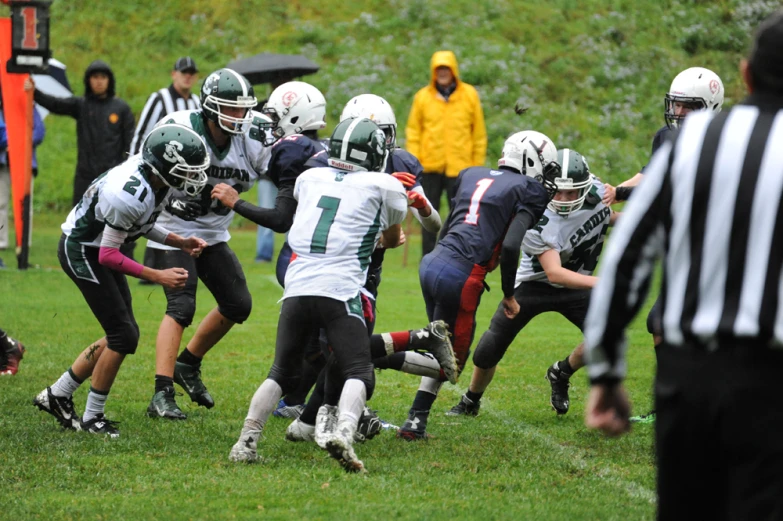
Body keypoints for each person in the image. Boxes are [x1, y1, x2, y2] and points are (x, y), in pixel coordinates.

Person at [584, 10, 783, 518]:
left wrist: (605, 373)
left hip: (692, 372)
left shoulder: (691, 142)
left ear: (745, 75)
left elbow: (629, 255)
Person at [229, 117, 408, 473]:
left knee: (281, 371)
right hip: (341, 289)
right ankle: (344, 431)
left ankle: (245, 442)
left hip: (297, 285)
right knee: (359, 369)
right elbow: (390, 237)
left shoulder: (310, 177)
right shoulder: (384, 185)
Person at [32, 123, 210, 437]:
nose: (191, 177)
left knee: (123, 333)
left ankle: (58, 394)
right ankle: (92, 417)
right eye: (185, 170)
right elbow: (108, 255)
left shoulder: (154, 180)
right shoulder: (128, 192)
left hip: (99, 248)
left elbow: (142, 224)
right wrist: (157, 275)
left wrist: (179, 242)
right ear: (165, 166)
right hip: (83, 251)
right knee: (122, 335)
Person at [397, 130, 557, 440]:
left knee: (438, 342)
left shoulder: (471, 174)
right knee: (450, 365)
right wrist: (509, 295)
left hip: (434, 261)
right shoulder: (527, 189)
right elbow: (512, 246)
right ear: (530, 161)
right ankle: (370, 350)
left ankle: (415, 423)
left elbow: (455, 224)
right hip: (461, 275)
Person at [447, 149, 617, 417]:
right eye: (557, 191)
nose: (562, 199)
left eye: (571, 193)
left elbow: (607, 216)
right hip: (534, 285)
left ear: (584, 187)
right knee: (488, 350)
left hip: (578, 285)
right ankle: (471, 400)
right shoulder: (536, 217)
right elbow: (554, 273)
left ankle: (561, 372)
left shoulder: (596, 193)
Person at [602, 66, 724, 424]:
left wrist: (622, 193)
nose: (679, 113)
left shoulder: (717, 142)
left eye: (688, 106)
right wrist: (608, 194)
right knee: (660, 323)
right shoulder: (666, 137)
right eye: (677, 104)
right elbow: (650, 174)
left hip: (716, 249)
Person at [143, 68, 268, 420]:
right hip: (172, 227)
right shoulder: (181, 127)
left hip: (213, 233)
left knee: (238, 304)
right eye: (230, 109)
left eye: (243, 110)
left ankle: (188, 363)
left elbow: (281, 170)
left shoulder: (253, 137)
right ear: (211, 108)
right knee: (181, 304)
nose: (239, 117)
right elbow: (148, 168)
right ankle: (161, 392)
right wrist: (169, 200)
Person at [405, 50, 487, 257]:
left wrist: (476, 167)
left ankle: (453, 255)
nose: (442, 73)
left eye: (446, 68)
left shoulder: (469, 95)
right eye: (439, 69)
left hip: (460, 167)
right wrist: (413, 163)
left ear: (453, 70)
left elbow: (478, 133)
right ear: (433, 71)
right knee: (426, 212)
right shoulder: (422, 97)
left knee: (459, 215)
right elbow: (414, 131)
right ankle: (427, 257)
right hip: (429, 164)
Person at [26, 61, 135, 207]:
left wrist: (127, 170)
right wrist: (35, 92)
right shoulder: (82, 105)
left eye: (103, 77)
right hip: (85, 175)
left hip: (112, 176)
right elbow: (55, 103)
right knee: (78, 220)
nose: (99, 81)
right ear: (88, 80)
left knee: (110, 220)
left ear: (109, 80)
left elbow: (131, 142)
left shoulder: (121, 109)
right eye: (95, 77)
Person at [0, 88, 46, 265]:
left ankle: (24, 241)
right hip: (3, 163)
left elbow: (39, 132)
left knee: (25, 203)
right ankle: (2, 241)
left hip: (25, 162)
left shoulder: (28, 106)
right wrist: (9, 142)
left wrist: (21, 143)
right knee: (1, 202)